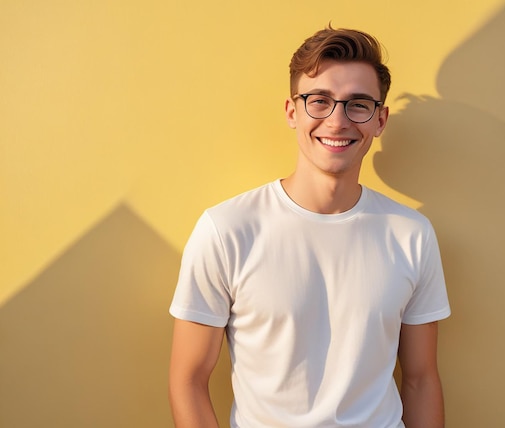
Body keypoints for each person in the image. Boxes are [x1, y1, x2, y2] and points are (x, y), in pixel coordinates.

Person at [168, 26, 451, 428]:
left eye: (358, 104)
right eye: (319, 101)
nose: (337, 121)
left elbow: (422, 380)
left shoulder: (411, 235)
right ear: (292, 111)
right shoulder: (227, 229)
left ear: (380, 120)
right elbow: (188, 380)